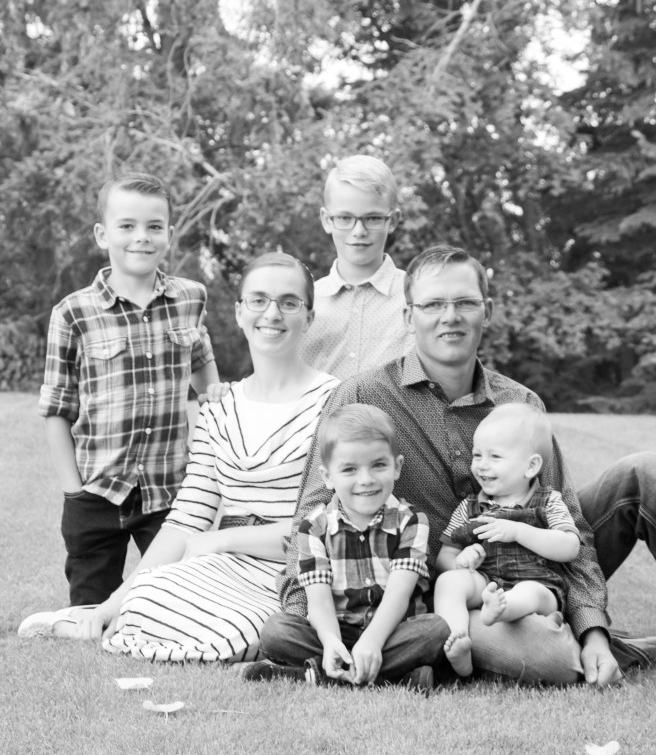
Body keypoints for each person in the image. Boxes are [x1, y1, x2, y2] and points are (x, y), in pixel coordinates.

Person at [280, 244, 656, 687]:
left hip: (538, 565)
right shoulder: (363, 397)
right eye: (433, 304)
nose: (450, 316)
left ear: (487, 311)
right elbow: (313, 517)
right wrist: (317, 634)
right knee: (551, 658)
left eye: (465, 303)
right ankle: (606, 648)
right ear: (408, 316)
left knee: (644, 473)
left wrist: (593, 631)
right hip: (449, 594)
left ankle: (589, 639)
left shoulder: (520, 402)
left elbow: (573, 528)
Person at [21, 252, 338, 663]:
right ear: (239, 312)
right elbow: (187, 517)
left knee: (242, 634)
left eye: (289, 302)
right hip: (219, 569)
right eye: (258, 300)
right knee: (147, 593)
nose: (272, 313)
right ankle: (99, 619)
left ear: (309, 317)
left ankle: (117, 633)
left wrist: (222, 539)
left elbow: (327, 524)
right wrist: (113, 603)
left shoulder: (333, 402)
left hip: (293, 573)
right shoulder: (219, 408)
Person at [21, 172, 219, 615]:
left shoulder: (191, 298)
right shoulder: (73, 312)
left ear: (169, 233)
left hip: (170, 489)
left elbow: (203, 367)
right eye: (127, 225)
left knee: (174, 609)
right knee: (90, 612)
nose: (141, 237)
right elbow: (57, 409)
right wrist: (73, 491)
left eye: (154, 226)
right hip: (97, 490)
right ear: (102, 234)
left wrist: (213, 418)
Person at [253, 404, 448, 691]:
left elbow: (399, 594)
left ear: (397, 467)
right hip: (337, 631)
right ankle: (395, 677)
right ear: (328, 477)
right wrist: (331, 641)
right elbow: (319, 602)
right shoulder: (314, 527)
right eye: (349, 469)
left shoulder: (411, 521)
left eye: (378, 465)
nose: (365, 479)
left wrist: (372, 641)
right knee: (276, 631)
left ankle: (319, 676)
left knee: (435, 630)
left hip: (392, 630)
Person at [434, 404, 580, 677]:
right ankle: (457, 640)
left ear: (531, 466)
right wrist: (461, 562)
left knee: (528, 591)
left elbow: (570, 546)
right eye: (477, 455)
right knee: (448, 582)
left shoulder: (548, 501)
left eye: (495, 456)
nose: (481, 465)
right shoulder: (469, 508)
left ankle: (503, 610)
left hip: (539, 585)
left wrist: (519, 532)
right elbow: (445, 554)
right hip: (485, 582)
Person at [299, 155, 413, 379]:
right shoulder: (305, 304)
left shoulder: (416, 298)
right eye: (344, 218)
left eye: (372, 218)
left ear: (393, 221)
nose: (359, 231)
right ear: (326, 220)